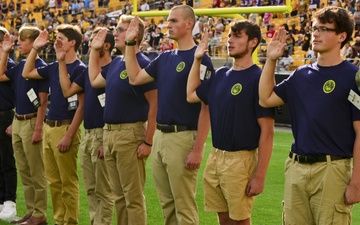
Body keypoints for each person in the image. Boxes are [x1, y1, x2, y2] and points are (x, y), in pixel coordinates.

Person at [259, 6, 360, 224]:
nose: (315, 33)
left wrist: (356, 182)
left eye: (324, 29)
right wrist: (271, 60)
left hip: (333, 170)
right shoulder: (301, 74)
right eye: (314, 28)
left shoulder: (354, 77)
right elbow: (265, 98)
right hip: (296, 167)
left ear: (342, 36)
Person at [124, 5, 213, 225]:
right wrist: (128, 43)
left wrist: (198, 148)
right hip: (160, 137)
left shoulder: (200, 57)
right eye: (168, 20)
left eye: (174, 21)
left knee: (184, 205)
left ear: (189, 24)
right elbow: (134, 77)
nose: (168, 24)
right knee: (167, 204)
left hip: (183, 136)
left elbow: (206, 107)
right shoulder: (165, 58)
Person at [186, 20, 274, 225]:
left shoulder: (259, 78)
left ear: (252, 42)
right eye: (229, 36)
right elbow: (191, 94)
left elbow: (267, 132)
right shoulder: (221, 74)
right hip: (216, 156)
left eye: (236, 36)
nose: (229, 40)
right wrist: (197, 59)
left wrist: (259, 177)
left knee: (240, 219)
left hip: (241, 159)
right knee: (223, 219)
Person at [88, 15, 157, 225]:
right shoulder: (117, 62)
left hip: (130, 133)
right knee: (118, 196)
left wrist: (148, 141)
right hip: (110, 133)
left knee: (132, 197)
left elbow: (155, 104)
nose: (115, 33)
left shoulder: (143, 64)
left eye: (120, 29)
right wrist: (93, 49)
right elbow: (94, 81)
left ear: (135, 33)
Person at [22, 24, 86, 225]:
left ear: (72, 42)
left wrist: (69, 135)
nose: (56, 41)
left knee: (68, 182)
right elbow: (27, 72)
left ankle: (70, 222)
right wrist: (36, 48)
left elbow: (81, 107)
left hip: (66, 128)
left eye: (61, 38)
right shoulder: (52, 67)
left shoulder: (80, 69)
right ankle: (60, 220)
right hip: (50, 128)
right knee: (54, 182)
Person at [57, 27, 114, 225]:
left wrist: (106, 140)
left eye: (95, 41)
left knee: (104, 190)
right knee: (91, 188)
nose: (90, 45)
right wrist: (61, 62)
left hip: (103, 133)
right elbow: (67, 91)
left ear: (106, 45)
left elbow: (115, 107)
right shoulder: (91, 73)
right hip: (88, 134)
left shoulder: (113, 70)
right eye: (90, 41)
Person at [0, 26, 48, 225]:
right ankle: (30, 211)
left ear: (35, 43)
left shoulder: (41, 66)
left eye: (23, 40)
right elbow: (0, 73)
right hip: (18, 121)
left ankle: (40, 214)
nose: (19, 43)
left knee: (36, 171)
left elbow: (43, 101)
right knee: (25, 170)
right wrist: (5, 51)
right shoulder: (20, 66)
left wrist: (38, 128)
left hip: (31, 121)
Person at [0, 26, 17, 223]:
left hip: (5, 115)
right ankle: (1, 200)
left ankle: (9, 200)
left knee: (7, 161)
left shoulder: (10, 65)